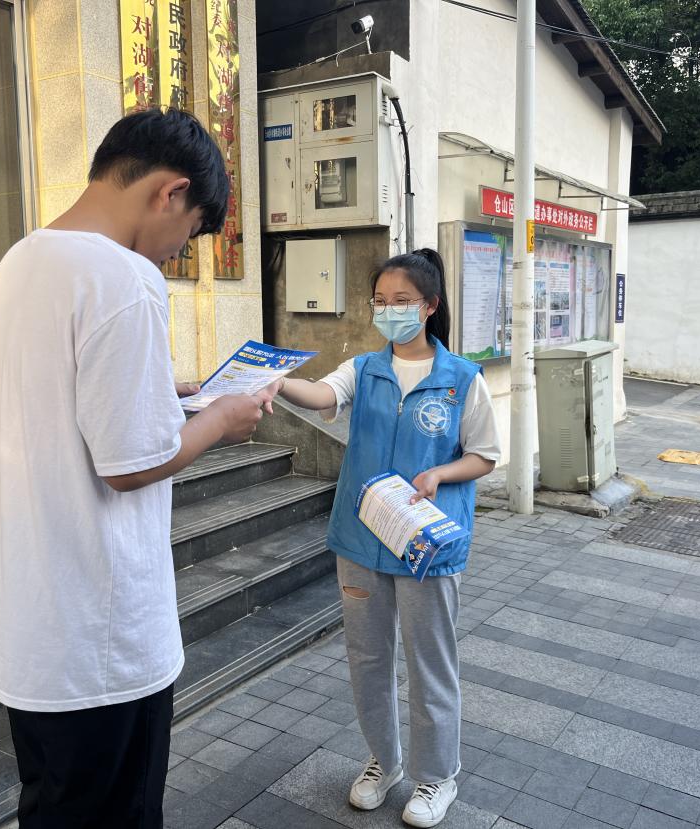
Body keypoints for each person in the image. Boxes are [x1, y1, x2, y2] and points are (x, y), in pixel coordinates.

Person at [0, 108, 274, 828]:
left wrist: (162, 391)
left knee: (50, 806)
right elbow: (130, 465)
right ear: (170, 192)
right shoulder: (124, 277)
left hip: (33, 625)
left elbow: (61, 400)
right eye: (190, 231)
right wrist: (222, 419)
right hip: (99, 638)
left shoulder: (21, 260)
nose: (177, 252)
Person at [274, 249, 500, 828]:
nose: (389, 311)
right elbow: (321, 395)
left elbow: (484, 456)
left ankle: (437, 775)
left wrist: (441, 474)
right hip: (362, 541)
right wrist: (277, 381)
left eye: (402, 301)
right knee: (368, 658)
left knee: (430, 662)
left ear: (429, 306)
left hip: (427, 546)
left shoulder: (462, 379)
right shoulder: (363, 369)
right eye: (380, 301)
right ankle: (385, 761)